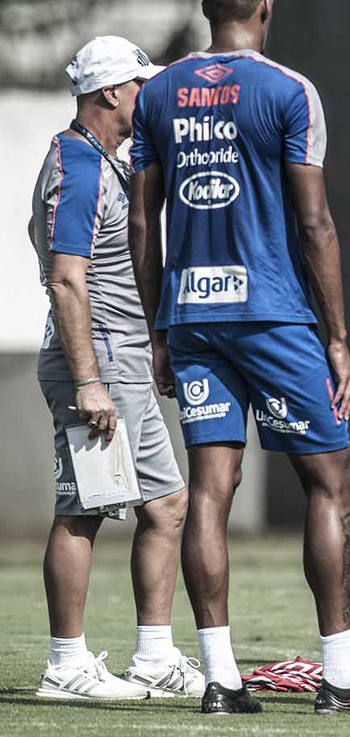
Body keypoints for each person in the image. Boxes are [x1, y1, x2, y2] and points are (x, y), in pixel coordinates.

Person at [128, 0, 350, 717]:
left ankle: (221, 680)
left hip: (192, 316)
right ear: (266, 8)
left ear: (205, 8)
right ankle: (340, 678)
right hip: (273, 315)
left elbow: (143, 223)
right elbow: (314, 222)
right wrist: (337, 337)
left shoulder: (157, 93)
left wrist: (159, 329)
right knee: (333, 484)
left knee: (209, 491)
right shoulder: (289, 90)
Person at [30, 36, 200, 701]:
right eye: (139, 85)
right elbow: (66, 278)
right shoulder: (76, 162)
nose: (148, 96)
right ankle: (66, 665)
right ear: (109, 92)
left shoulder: (101, 161)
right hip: (97, 361)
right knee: (85, 510)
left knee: (167, 504)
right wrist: (88, 379)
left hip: (120, 358)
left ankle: (153, 656)